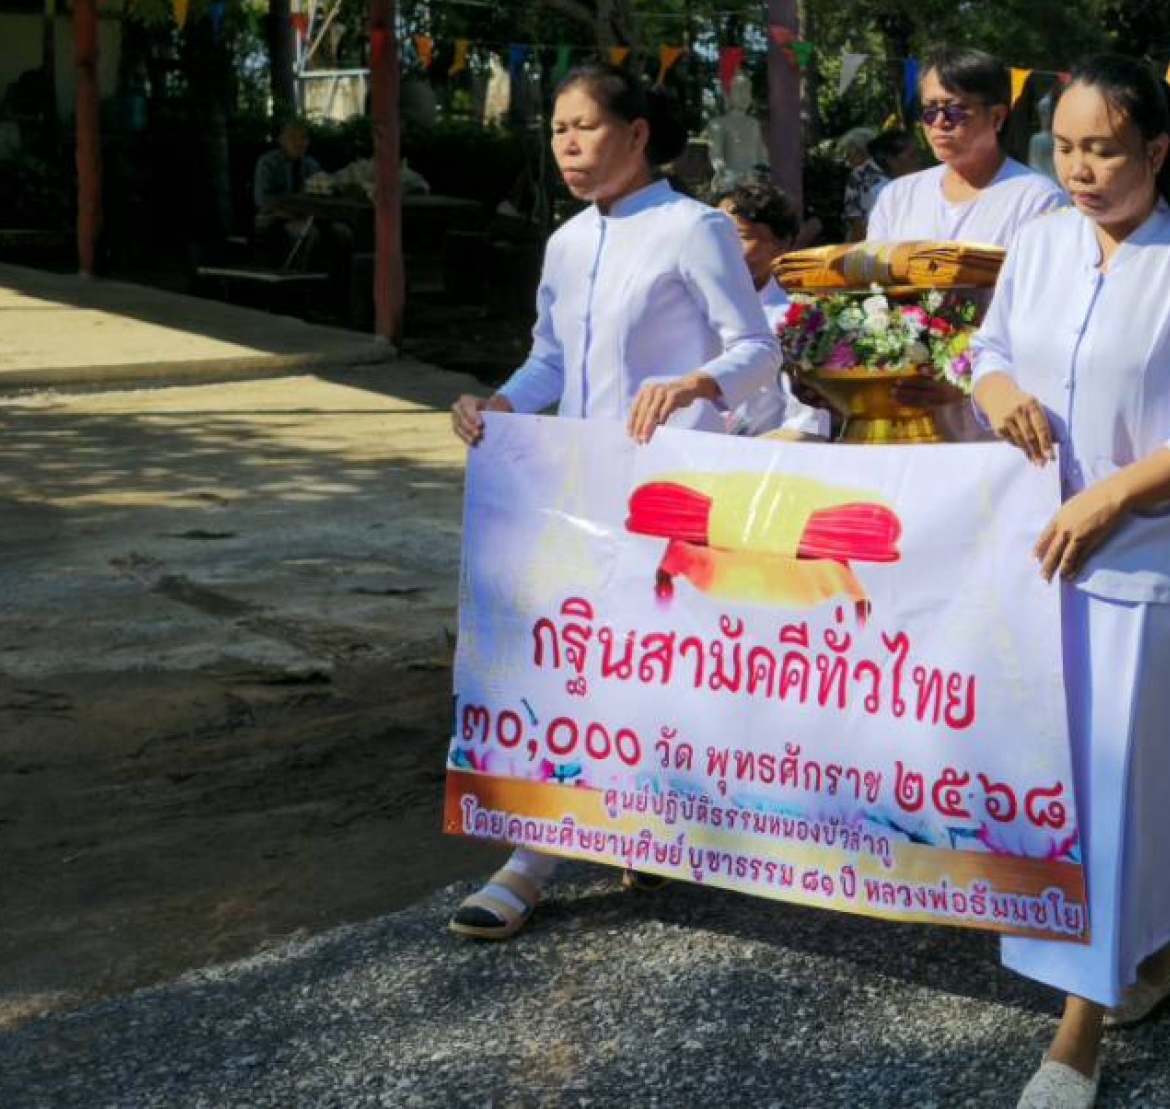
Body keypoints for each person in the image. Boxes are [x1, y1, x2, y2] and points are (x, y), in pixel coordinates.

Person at [970, 57, 1170, 1109]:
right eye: (1065, 146)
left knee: (1120, 790)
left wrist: (1113, 498)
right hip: (1039, 558)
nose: (1082, 168)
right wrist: (999, 388)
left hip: (1141, 564)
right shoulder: (1040, 243)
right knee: (1063, 780)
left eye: (1104, 147)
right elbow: (988, 346)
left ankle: (1080, 1030)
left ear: (1154, 149)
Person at [442, 62, 784, 942]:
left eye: (586, 126)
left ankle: (666, 826)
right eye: (557, 128)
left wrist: (694, 382)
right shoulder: (563, 243)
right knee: (572, 670)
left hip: (674, 497)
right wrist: (501, 406)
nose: (567, 143)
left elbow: (756, 349)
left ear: (637, 136)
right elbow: (549, 358)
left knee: (657, 671)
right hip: (579, 494)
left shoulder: (692, 228)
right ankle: (530, 858)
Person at [866, 48, 1069, 247]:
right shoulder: (896, 197)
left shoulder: (1039, 201)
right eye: (929, 110)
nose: (939, 121)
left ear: (996, 117)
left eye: (954, 110)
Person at [711, 180, 826, 439]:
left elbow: (807, 423)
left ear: (781, 245)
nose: (723, 247)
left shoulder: (797, 320)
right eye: (715, 234)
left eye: (741, 237)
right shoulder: (684, 304)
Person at [249, 120, 327, 262]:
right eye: (292, 137)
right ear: (281, 141)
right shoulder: (267, 163)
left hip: (307, 217)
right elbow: (262, 200)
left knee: (342, 233)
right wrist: (288, 212)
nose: (299, 143)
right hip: (274, 216)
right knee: (307, 234)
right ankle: (295, 275)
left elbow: (321, 195)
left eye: (303, 138)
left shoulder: (312, 165)